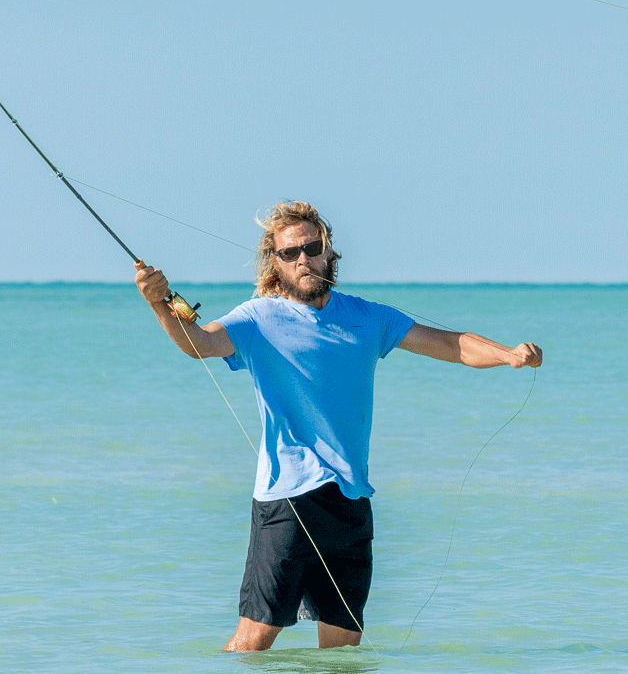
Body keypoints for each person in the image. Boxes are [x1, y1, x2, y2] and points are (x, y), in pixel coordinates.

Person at [134, 201, 542, 652]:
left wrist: (508, 354)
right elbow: (201, 343)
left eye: (312, 248)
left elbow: (449, 344)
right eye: (290, 253)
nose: (303, 259)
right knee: (256, 636)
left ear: (329, 252)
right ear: (276, 262)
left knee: (344, 644)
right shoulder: (257, 318)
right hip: (287, 498)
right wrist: (159, 304)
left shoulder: (368, 317)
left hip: (350, 496)